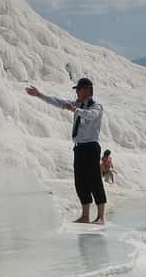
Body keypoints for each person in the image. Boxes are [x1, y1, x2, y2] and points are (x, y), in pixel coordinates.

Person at [25, 78, 108, 224]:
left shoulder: (96, 106)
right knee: (80, 181)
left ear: (87, 90)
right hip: (79, 147)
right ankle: (85, 215)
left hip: (91, 146)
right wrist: (40, 95)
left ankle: (101, 216)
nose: (76, 92)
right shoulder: (77, 104)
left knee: (94, 180)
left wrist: (75, 110)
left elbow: (90, 115)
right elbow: (59, 102)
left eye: (78, 89)